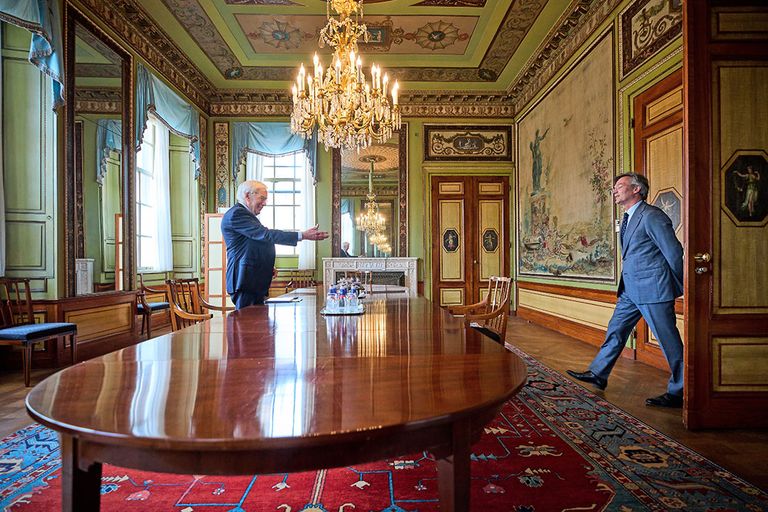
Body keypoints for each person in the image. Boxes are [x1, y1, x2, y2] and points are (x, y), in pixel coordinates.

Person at [567, 173, 685, 408]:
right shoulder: (628, 218)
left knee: (668, 341)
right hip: (631, 289)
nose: (614, 190)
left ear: (636, 190)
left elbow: (673, 252)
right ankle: (599, 373)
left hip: (654, 288)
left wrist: (681, 285)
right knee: (616, 330)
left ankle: (681, 389)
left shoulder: (651, 216)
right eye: (614, 187)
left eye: (619, 186)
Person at [222, 180, 328, 309]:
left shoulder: (246, 216)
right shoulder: (237, 214)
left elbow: (253, 245)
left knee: (255, 324)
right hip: (244, 280)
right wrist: (302, 235)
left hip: (252, 280)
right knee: (247, 324)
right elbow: (265, 235)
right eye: (262, 198)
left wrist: (265, 266)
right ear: (247, 196)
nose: (265, 203)